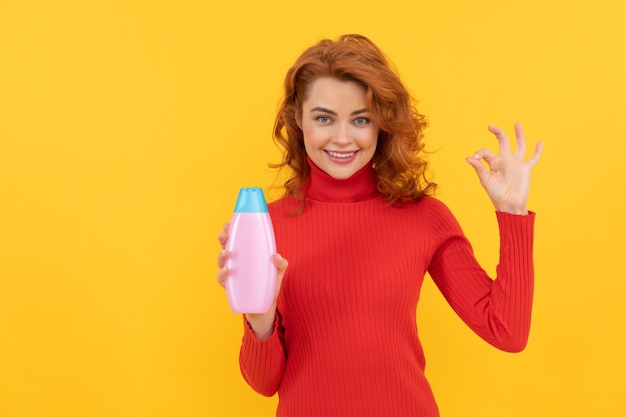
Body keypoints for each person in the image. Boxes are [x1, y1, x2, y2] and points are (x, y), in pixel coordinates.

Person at [216, 34, 543, 417]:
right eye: (324, 118)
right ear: (298, 120)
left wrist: (513, 213)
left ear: (383, 125)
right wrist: (260, 319)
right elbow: (263, 383)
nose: (342, 138)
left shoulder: (424, 218)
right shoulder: (265, 224)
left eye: (361, 120)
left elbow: (506, 332)